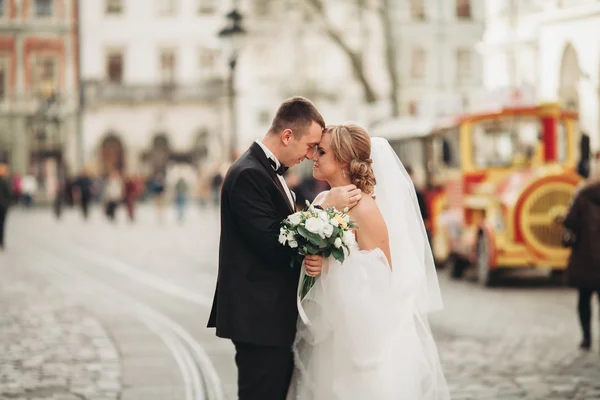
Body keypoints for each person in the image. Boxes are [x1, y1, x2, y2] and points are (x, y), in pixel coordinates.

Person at [207, 97, 362, 400]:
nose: (310, 155)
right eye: (310, 146)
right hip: (259, 317)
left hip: (271, 315)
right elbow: (274, 242)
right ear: (287, 135)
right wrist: (324, 207)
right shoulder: (248, 173)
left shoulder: (266, 171)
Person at [288, 124, 449, 399]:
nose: (314, 156)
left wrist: (328, 268)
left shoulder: (364, 207)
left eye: (322, 151)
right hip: (331, 328)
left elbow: (381, 275)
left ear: (341, 160)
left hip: (363, 337)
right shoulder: (322, 199)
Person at [563, 179, 600, 351]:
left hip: (586, 258)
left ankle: (586, 338)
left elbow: (570, 222)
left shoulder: (584, 194)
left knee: (584, 299)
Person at [0, 164, 11, 250]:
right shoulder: (5, 181)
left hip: (3, 205)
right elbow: (9, 194)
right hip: (3, 206)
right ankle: (1, 241)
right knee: (2, 223)